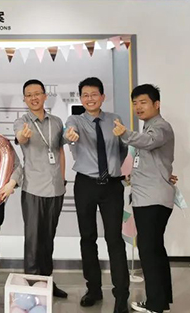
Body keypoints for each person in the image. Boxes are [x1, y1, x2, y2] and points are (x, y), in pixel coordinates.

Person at [65, 77, 130, 313]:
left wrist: (114, 169)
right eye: (85, 95)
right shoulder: (75, 120)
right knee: (88, 237)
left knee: (114, 239)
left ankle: (121, 296)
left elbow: (123, 149)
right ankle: (93, 289)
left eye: (94, 94)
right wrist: (70, 135)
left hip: (112, 186)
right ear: (80, 98)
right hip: (86, 184)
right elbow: (68, 133)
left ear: (103, 97)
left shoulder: (115, 119)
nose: (90, 99)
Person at [112, 84, 175, 313]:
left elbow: (149, 142)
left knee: (149, 251)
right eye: (135, 103)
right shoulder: (149, 127)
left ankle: (155, 304)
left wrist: (125, 134)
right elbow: (149, 159)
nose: (138, 107)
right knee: (155, 250)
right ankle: (161, 300)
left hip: (152, 199)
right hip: (148, 196)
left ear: (156, 104)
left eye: (143, 102)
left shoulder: (160, 127)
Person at [14, 80, 67, 298]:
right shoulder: (22, 122)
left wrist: (62, 179)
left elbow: (60, 151)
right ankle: (32, 288)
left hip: (55, 189)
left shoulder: (56, 122)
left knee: (48, 240)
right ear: (24, 99)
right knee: (33, 241)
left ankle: (46, 283)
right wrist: (24, 136)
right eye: (29, 95)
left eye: (37, 93)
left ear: (45, 96)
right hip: (33, 189)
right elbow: (20, 137)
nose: (34, 98)